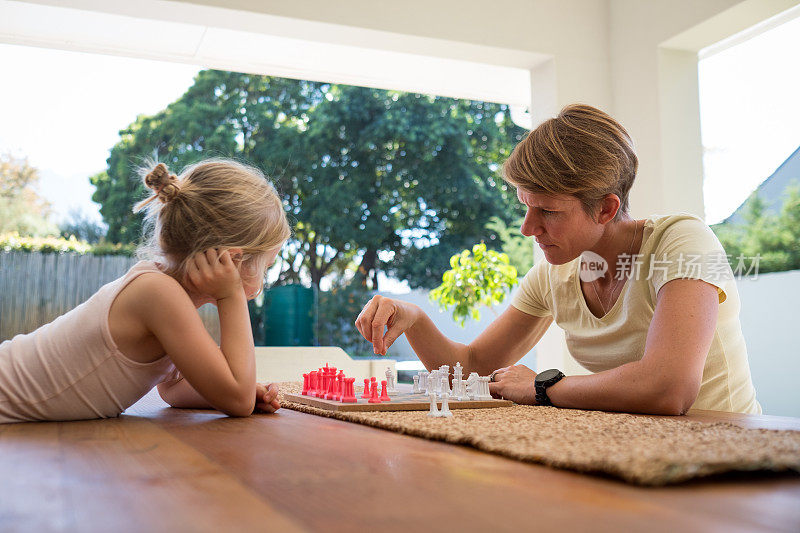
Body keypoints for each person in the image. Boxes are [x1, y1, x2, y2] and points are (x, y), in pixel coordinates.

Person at [355, 104, 760, 415]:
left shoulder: (682, 241)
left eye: (547, 211)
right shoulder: (553, 275)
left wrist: (544, 387)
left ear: (605, 209)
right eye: (525, 207)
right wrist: (416, 318)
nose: (528, 228)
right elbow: (474, 366)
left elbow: (670, 386)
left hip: (728, 456)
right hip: (635, 452)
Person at [0, 159, 290, 423]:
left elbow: (173, 389)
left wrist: (232, 387)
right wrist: (231, 296)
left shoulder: (165, 290)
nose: (264, 279)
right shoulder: (158, 292)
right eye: (266, 265)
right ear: (232, 259)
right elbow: (237, 402)